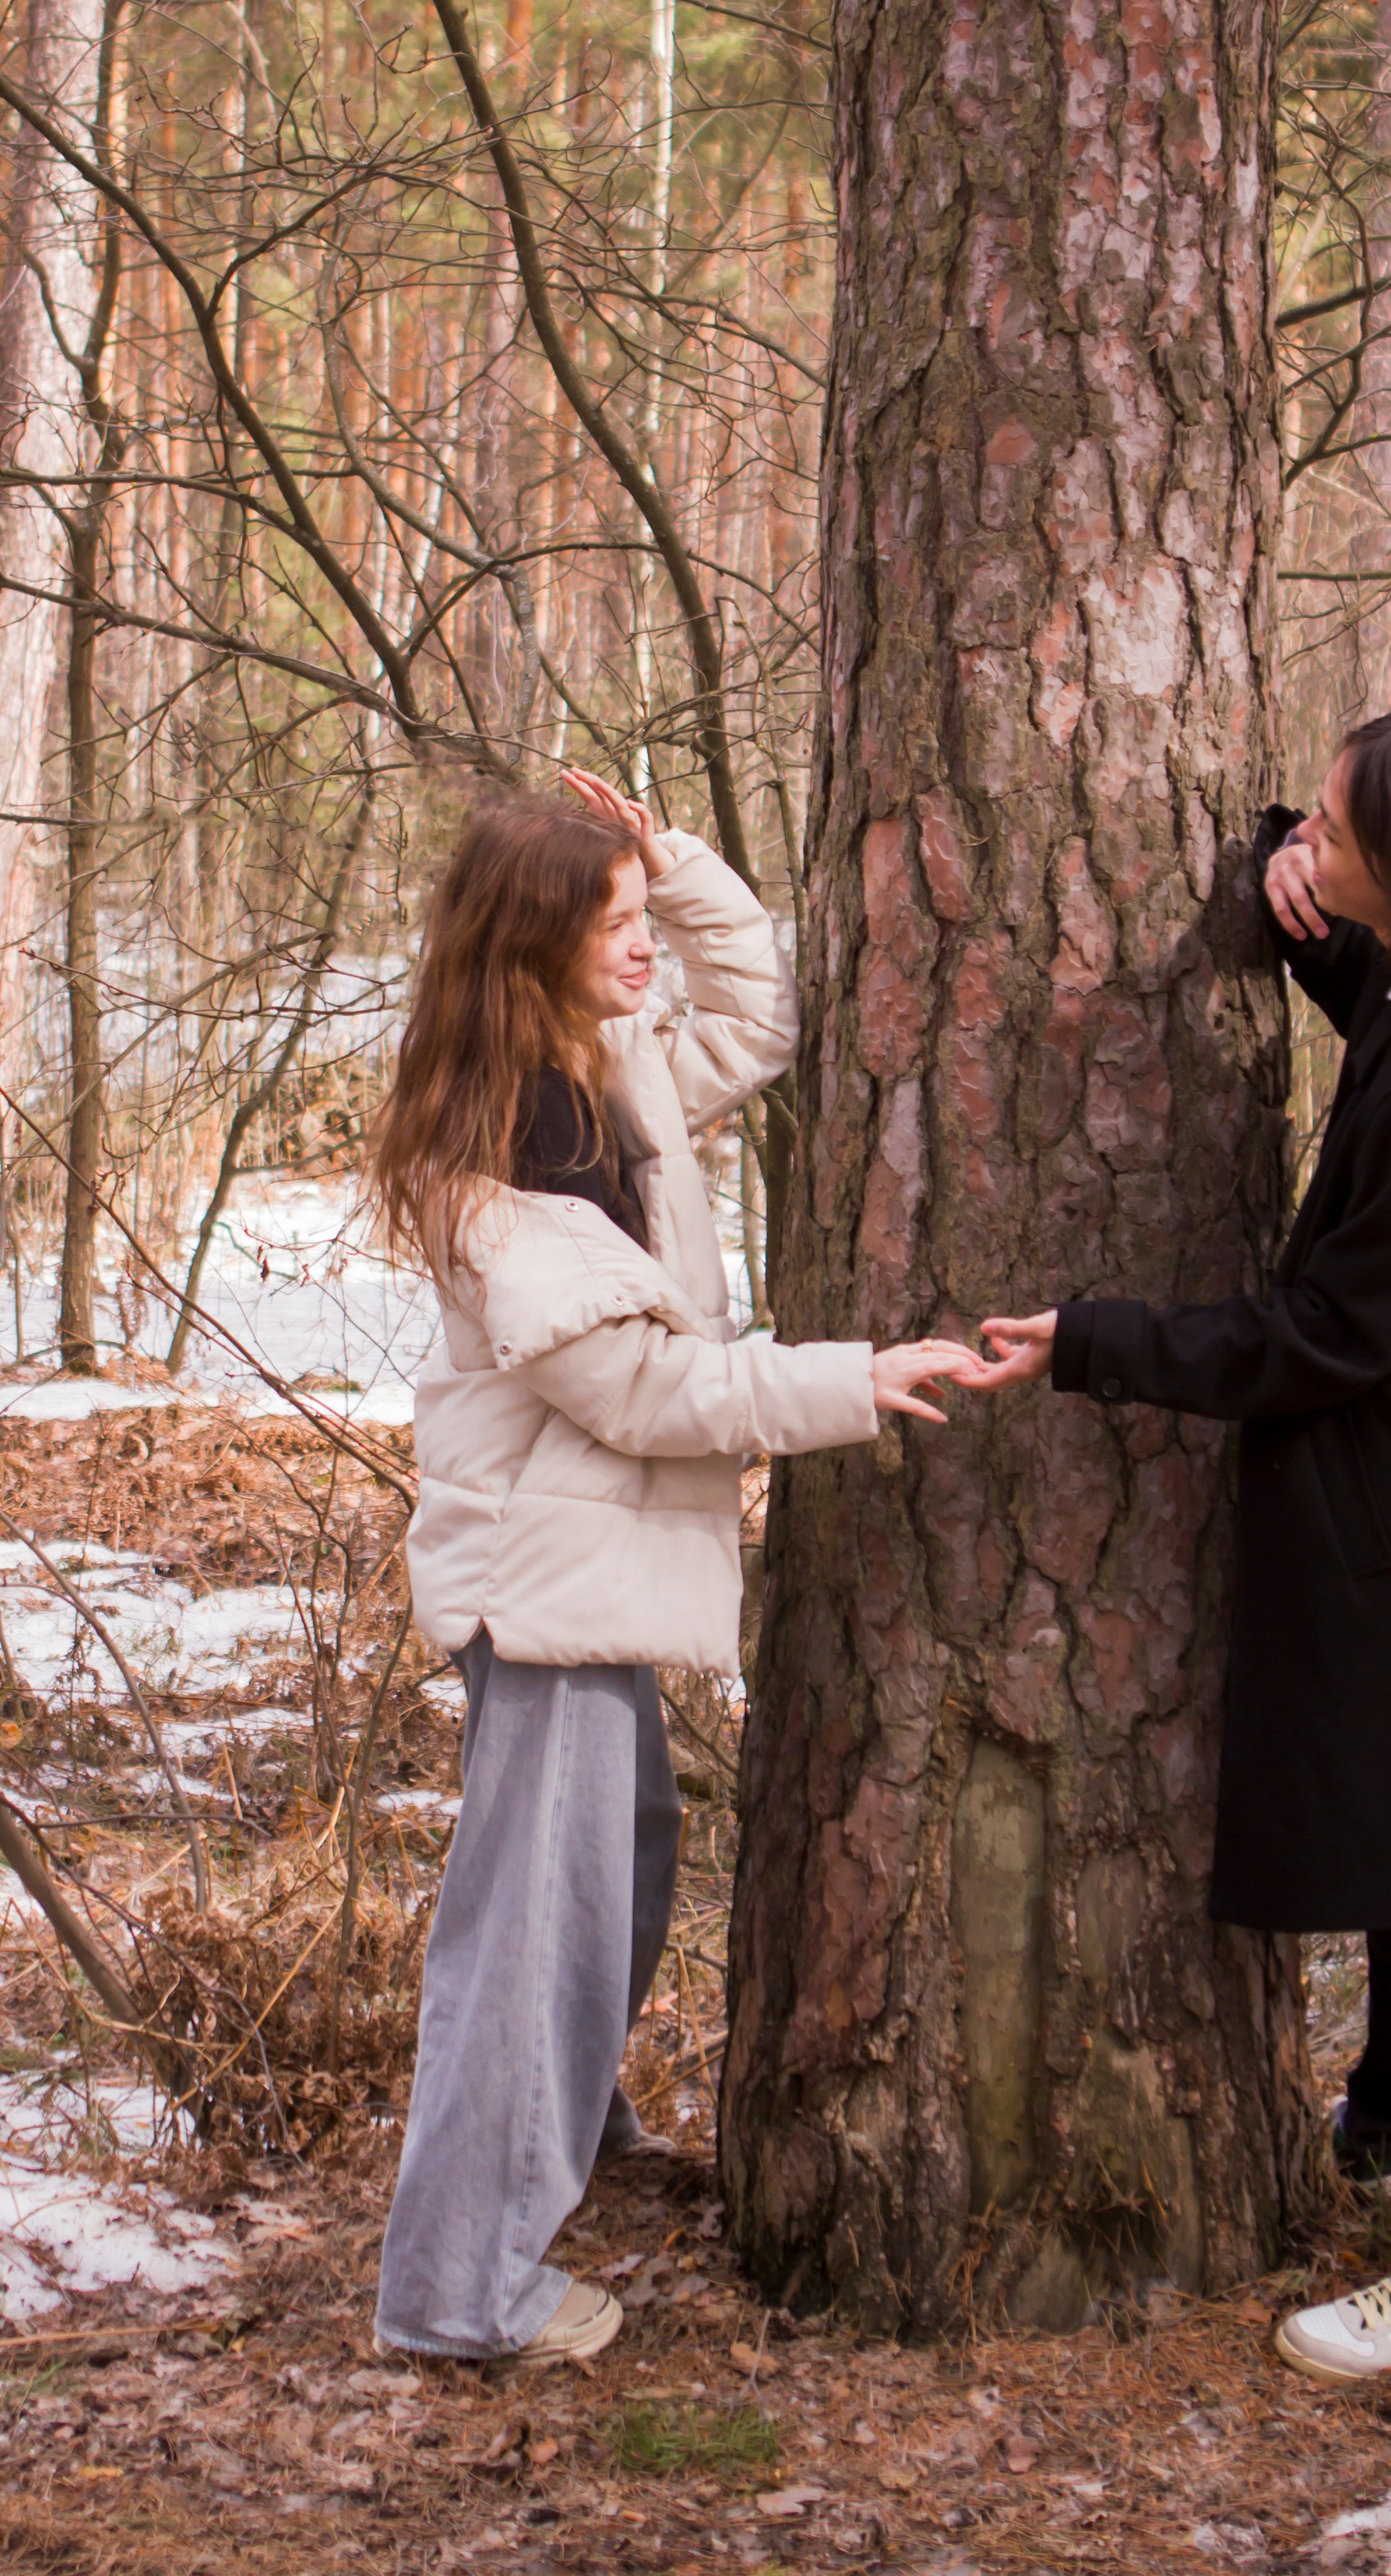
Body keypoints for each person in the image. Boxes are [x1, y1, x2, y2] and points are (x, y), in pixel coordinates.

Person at [956, 708, 1391, 2385]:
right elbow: (1379, 1004)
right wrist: (1276, 875)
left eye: (1332, 826)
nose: (1306, 837)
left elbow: (1314, 1338)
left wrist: (1092, 1339)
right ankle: (1382, 2127)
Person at [369, 772, 977, 2367]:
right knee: (532, 1941)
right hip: (551, 1591)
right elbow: (657, 1395)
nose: (647, 950)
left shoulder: (607, 1067)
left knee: (612, 1876)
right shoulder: (497, 1173)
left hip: (595, 1579)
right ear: (527, 951)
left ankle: (566, 2123)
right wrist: (855, 1382)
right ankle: (457, 2290)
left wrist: (662, 851)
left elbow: (761, 1008)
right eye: (615, 928)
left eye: (643, 922)